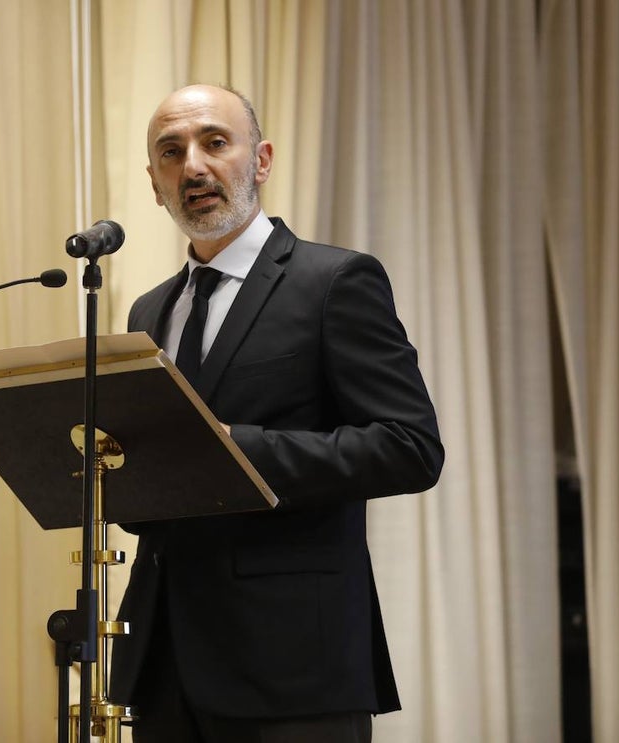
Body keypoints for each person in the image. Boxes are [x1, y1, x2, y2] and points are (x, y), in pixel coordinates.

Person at [108, 84, 444, 742]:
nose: (194, 166)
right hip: (166, 661)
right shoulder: (149, 311)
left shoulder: (334, 281)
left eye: (215, 142)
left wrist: (236, 447)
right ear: (154, 184)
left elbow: (410, 445)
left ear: (260, 160)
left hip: (293, 662)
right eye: (171, 153)